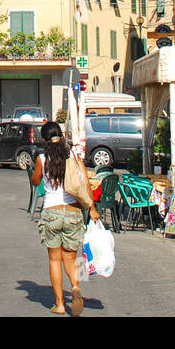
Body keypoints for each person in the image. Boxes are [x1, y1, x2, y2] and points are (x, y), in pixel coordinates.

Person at [30, 120, 100, 316]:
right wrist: (92, 208)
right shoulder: (74, 156)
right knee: (70, 258)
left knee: (54, 260)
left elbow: (35, 182)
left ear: (44, 140)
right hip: (73, 211)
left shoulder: (42, 159)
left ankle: (60, 304)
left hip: (51, 212)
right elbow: (86, 183)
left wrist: (37, 174)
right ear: (61, 137)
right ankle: (75, 287)